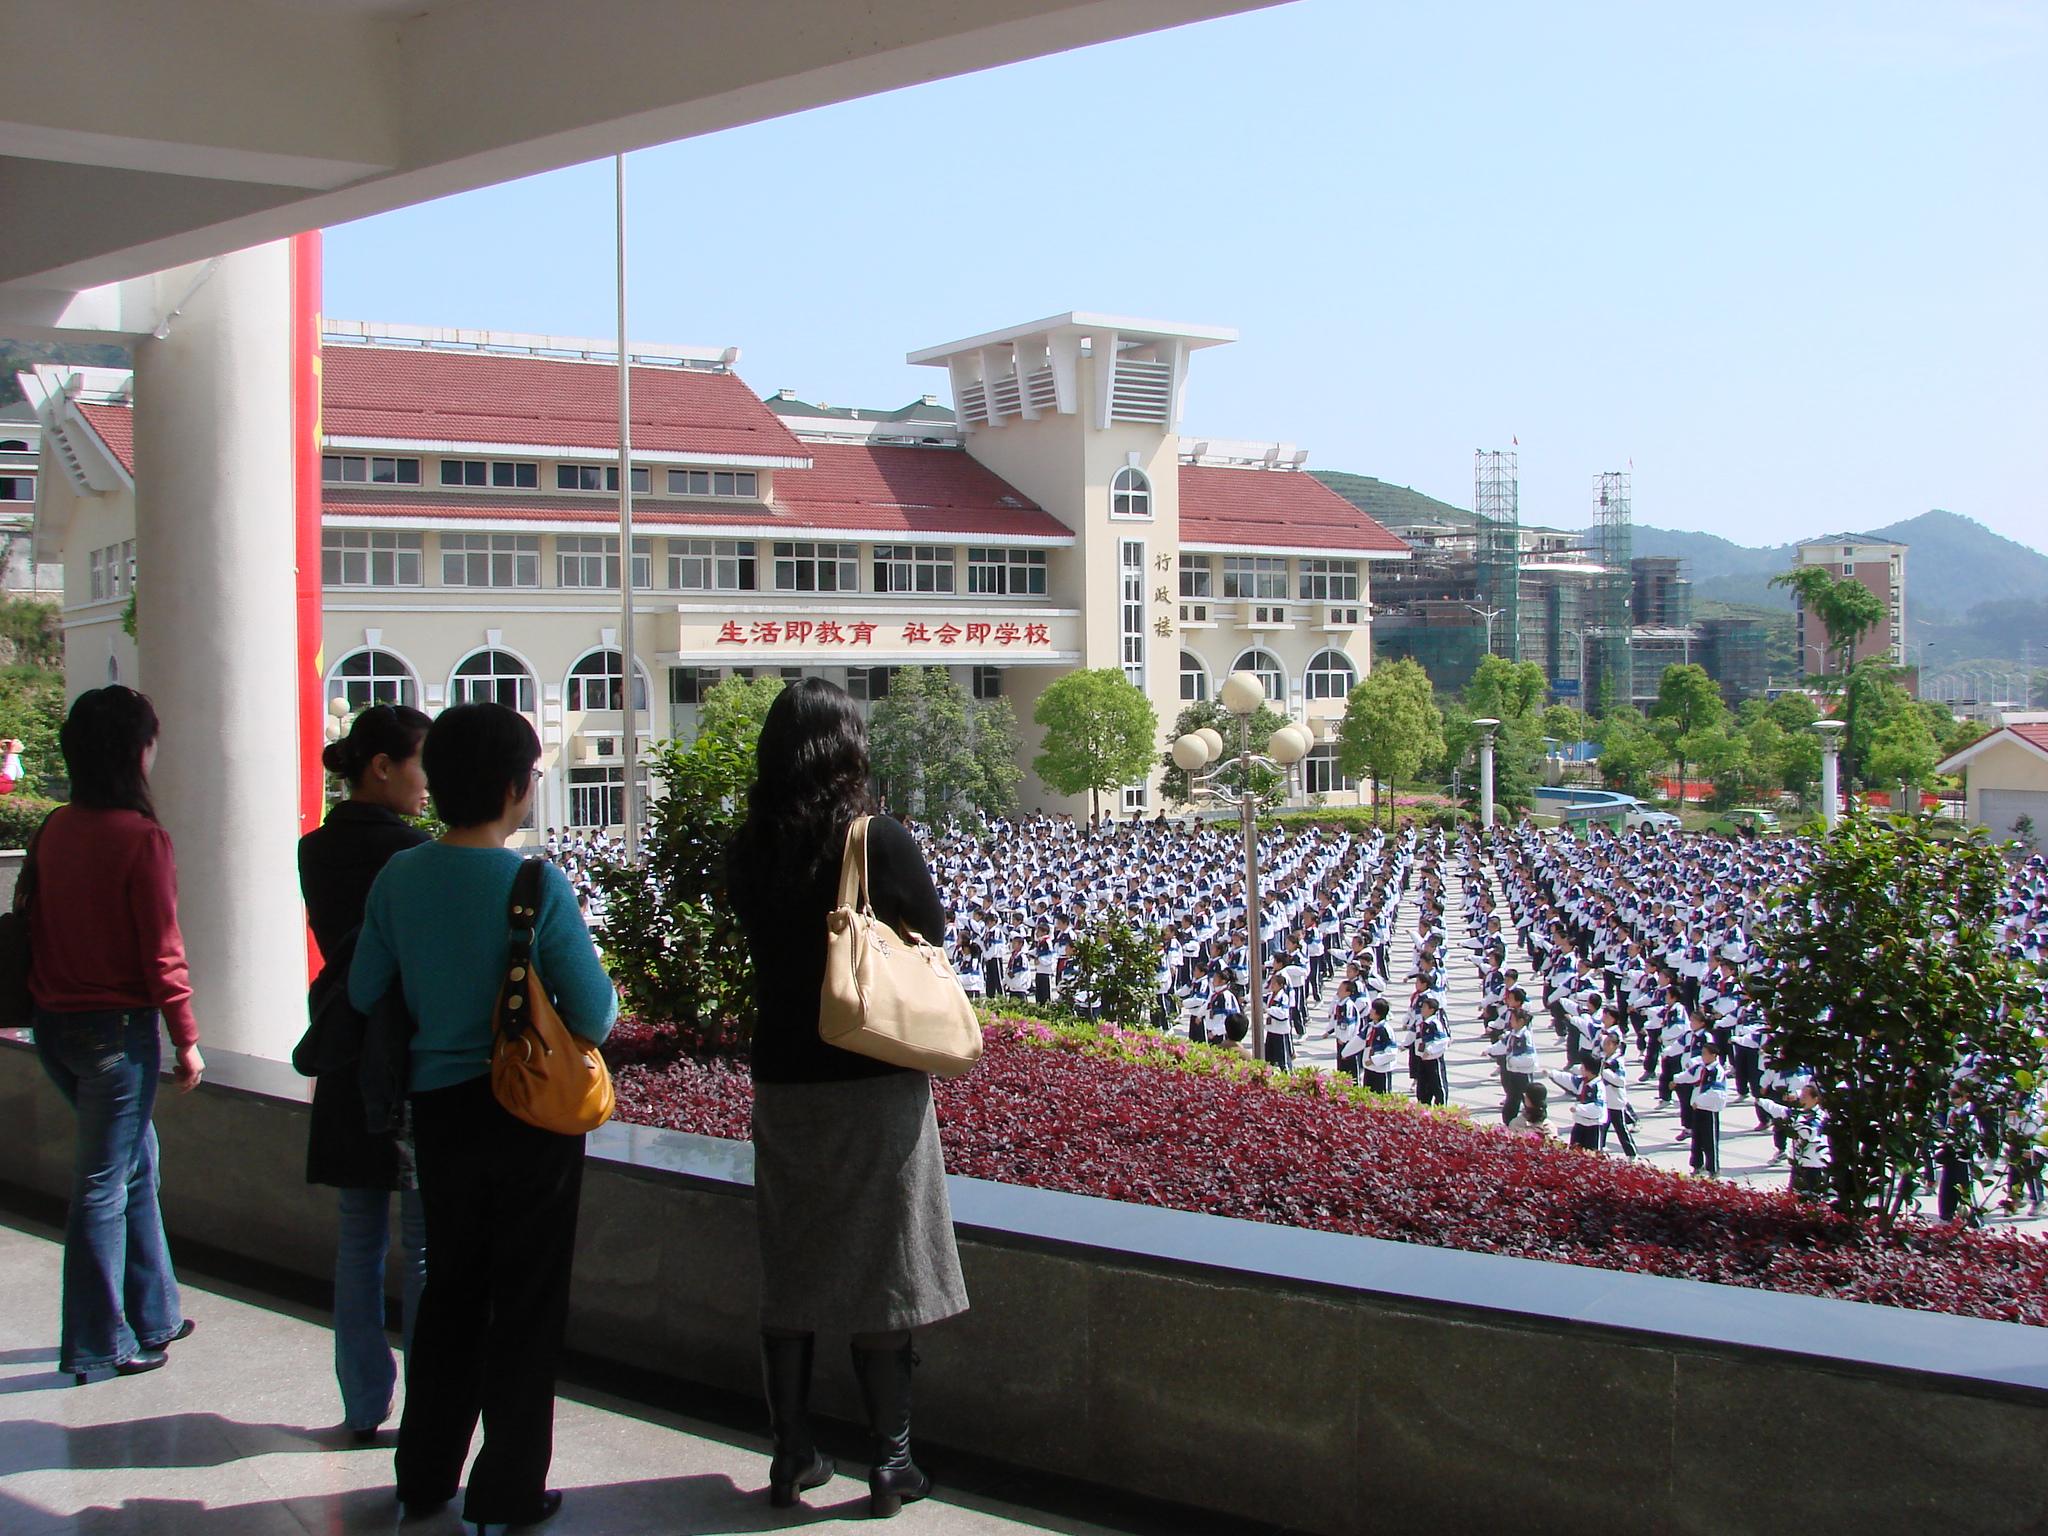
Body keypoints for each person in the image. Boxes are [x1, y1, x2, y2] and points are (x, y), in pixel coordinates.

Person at [350, 702, 617, 1531]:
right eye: (533, 776)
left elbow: (363, 991)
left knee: (452, 1290)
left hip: (440, 1113)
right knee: (528, 1301)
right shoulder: (533, 883)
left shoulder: (399, 877)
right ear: (509, 786)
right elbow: (596, 1013)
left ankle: (425, 1471)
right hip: (532, 1116)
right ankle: (507, 1486)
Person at [726, 680, 969, 1519]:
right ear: (847, 746)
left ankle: (792, 1452)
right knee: (885, 1268)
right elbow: (929, 937)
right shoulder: (879, 840)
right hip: (870, 1078)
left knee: (791, 1262)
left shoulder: (748, 846)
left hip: (784, 1080)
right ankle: (891, 1463)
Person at [28, 686, 201, 1383]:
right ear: (137, 752)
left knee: (137, 1163)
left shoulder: (56, 828)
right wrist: (185, 1036)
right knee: (104, 1181)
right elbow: (162, 950)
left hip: (56, 1026)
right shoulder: (140, 837)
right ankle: (101, 1341)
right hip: (116, 1033)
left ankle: (154, 1312)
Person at [297, 704, 432, 1442]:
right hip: (405, 1059)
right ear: (382, 766)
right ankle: (426, 1403)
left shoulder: (313, 851)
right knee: (420, 1239)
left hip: (346, 1052)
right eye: (420, 763)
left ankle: (359, 1403)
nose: (427, 780)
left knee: (356, 1236)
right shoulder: (412, 855)